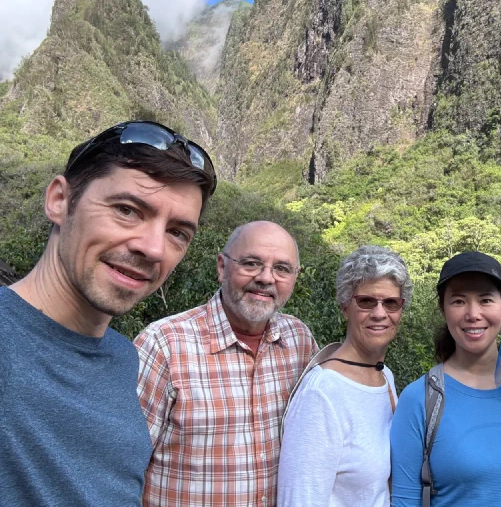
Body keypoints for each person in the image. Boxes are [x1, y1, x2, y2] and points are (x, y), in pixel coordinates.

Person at [0, 120, 216, 506]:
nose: (153, 248)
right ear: (59, 200)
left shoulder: (122, 356)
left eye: (177, 232)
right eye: (127, 210)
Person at [135, 220, 318, 507]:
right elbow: (119, 467)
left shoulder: (299, 341)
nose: (266, 278)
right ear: (222, 267)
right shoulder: (163, 345)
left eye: (282, 269)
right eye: (251, 263)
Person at [391, 251, 501, 507]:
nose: (473, 314)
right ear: (443, 309)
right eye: (458, 301)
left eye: (485, 300)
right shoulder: (420, 399)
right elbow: (405, 500)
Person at [277, 245, 412, 507]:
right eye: (366, 301)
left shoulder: (385, 377)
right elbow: (300, 498)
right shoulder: (323, 393)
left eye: (391, 303)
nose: (380, 313)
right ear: (345, 307)